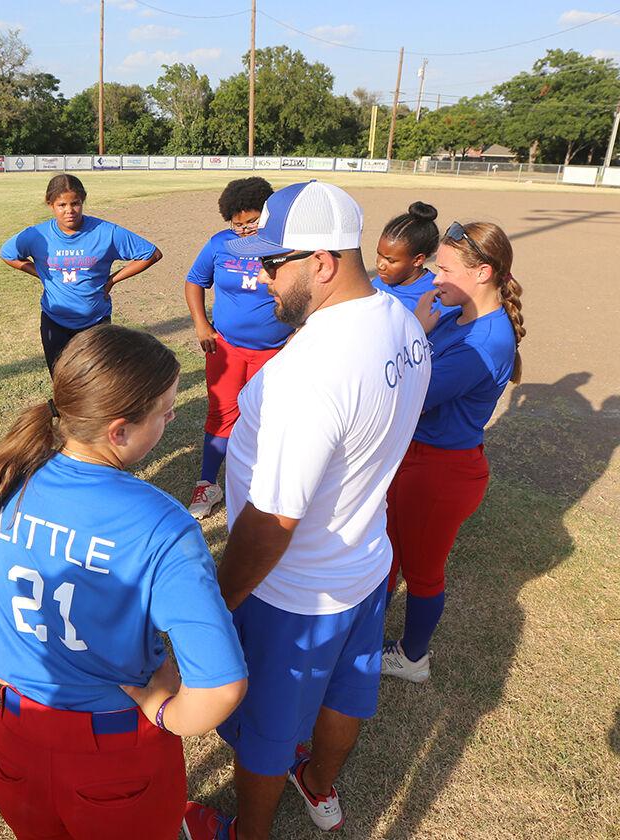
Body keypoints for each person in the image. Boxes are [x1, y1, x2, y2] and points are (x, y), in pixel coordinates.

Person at [0, 325, 248, 840]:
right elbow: (220, 686)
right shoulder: (162, 527)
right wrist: (166, 712)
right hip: (118, 756)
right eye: (166, 411)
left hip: (19, 742)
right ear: (119, 430)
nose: (173, 419)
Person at [181, 182, 431, 840]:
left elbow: (271, 525)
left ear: (321, 262)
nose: (256, 280)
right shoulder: (402, 320)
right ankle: (318, 784)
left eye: (271, 264)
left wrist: (217, 601)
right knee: (348, 693)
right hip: (365, 562)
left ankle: (249, 833)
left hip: (293, 593)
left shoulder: (303, 375)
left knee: (264, 730)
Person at [382, 221, 525, 683]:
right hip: (417, 457)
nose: (433, 278)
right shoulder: (453, 313)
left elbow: (410, 391)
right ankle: (365, 633)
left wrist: (414, 335)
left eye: (443, 269)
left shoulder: (485, 341)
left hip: (441, 472)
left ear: (482, 272)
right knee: (388, 553)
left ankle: (413, 657)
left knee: (422, 571)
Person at [183, 177, 291, 520]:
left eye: (252, 221)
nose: (245, 229)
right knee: (221, 413)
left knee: (266, 419)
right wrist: (202, 324)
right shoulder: (219, 245)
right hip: (226, 350)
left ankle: (261, 487)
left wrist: (294, 336)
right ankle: (207, 483)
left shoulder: (284, 247)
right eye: (237, 223)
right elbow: (194, 281)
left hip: (273, 352)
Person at [0, 174, 162, 374]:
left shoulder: (105, 232)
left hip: (95, 322)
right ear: (50, 204)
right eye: (61, 205)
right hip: (54, 321)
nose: (69, 211)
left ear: (83, 200)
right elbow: (8, 254)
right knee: (61, 379)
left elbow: (151, 254)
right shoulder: (37, 235)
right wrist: (42, 273)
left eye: (75, 203)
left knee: (96, 380)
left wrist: (112, 280)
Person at [372, 201, 453, 314]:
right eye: (379, 254)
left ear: (418, 260)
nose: (380, 265)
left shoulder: (438, 296)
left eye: (390, 260)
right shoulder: (377, 284)